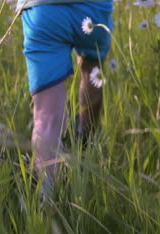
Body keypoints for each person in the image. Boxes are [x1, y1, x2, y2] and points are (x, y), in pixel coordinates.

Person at [17, 0, 114, 201]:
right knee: (92, 74)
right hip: (93, 8)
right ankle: (85, 145)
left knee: (46, 120)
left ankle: (47, 201)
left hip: (43, 10)